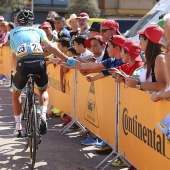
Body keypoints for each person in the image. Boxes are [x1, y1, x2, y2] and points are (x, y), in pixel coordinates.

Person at [10, 9, 79, 138]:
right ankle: (42, 116)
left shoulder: (13, 32)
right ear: (32, 22)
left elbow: (14, 56)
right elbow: (51, 47)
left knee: (16, 94)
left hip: (23, 64)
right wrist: (67, 59)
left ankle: (18, 127)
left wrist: (15, 72)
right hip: (39, 62)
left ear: (18, 21)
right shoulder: (39, 30)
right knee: (42, 90)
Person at [125, 25, 168, 93]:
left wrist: (137, 84)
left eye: (141, 37)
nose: (140, 40)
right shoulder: (152, 59)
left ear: (147, 40)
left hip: (157, 103)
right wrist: (129, 79)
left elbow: (162, 85)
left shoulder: (159, 58)